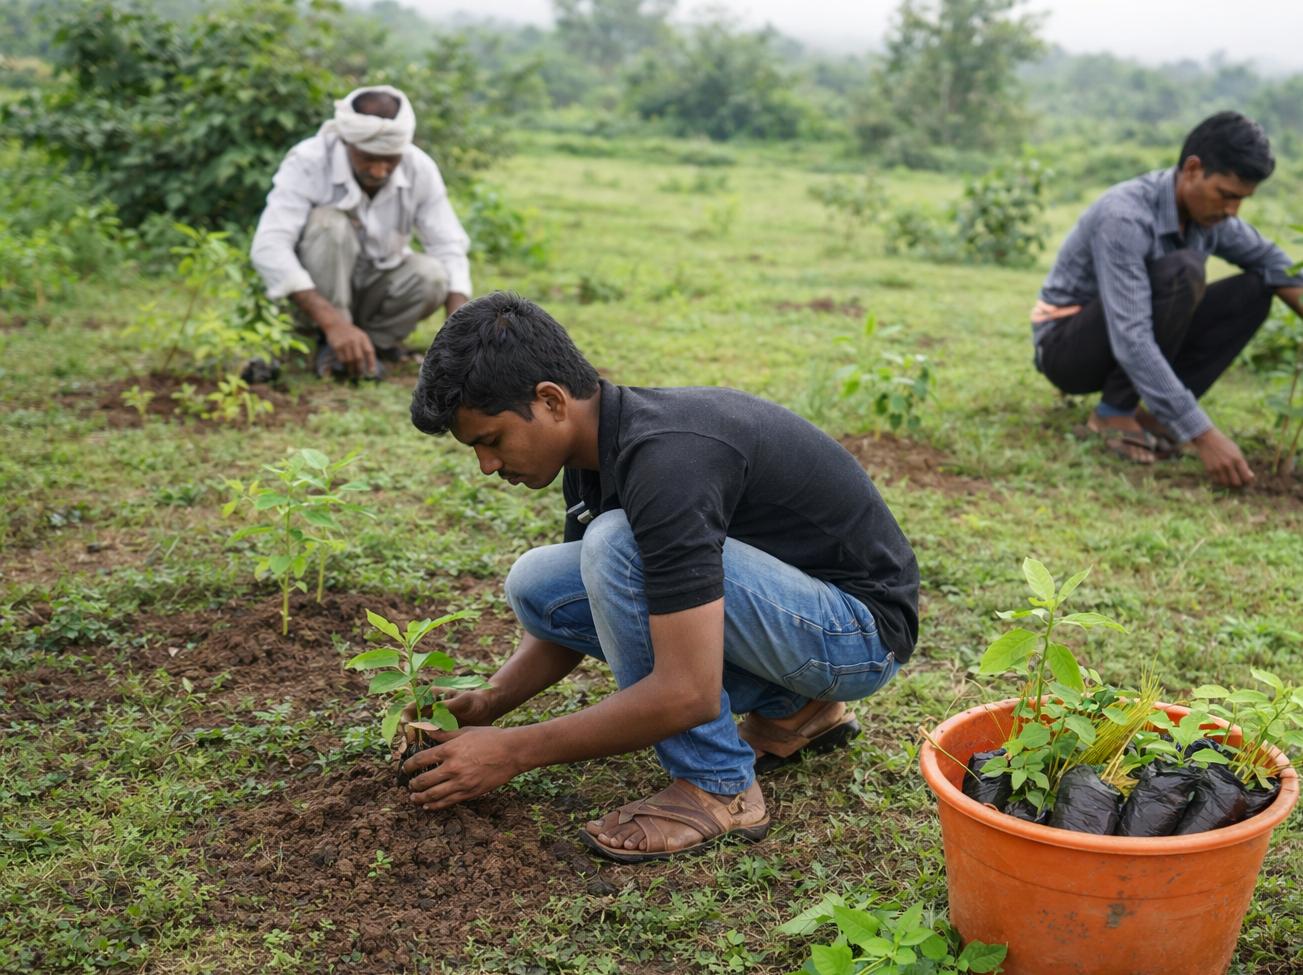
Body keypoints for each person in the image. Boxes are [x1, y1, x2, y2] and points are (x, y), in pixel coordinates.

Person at [398, 292, 920, 863]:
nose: (487, 466)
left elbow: (687, 692)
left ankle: (719, 786)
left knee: (617, 545)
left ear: (550, 401)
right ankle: (792, 709)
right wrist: (492, 700)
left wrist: (512, 752)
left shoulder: (668, 461)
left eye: (491, 440)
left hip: (857, 635)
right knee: (539, 583)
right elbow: (591, 607)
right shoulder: (594, 452)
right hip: (794, 619)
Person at [1031, 111, 1303, 487]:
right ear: (1192, 169)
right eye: (1226, 195)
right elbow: (1131, 335)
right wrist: (1201, 433)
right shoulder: (1125, 216)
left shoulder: (1209, 217)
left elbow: (1272, 261)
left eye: (1242, 200)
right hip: (1066, 347)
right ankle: (1112, 412)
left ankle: (1153, 417)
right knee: (1183, 272)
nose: (1232, 212)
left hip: (1123, 335)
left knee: (1254, 290)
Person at [250, 86, 471, 381]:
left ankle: (366, 346)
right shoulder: (308, 161)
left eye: (390, 161)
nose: (380, 171)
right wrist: (334, 323)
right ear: (345, 141)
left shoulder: (420, 168)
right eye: (368, 158)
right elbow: (268, 247)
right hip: (312, 300)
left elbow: (449, 247)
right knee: (328, 222)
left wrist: (460, 340)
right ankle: (327, 338)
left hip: (375, 293)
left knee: (433, 276)